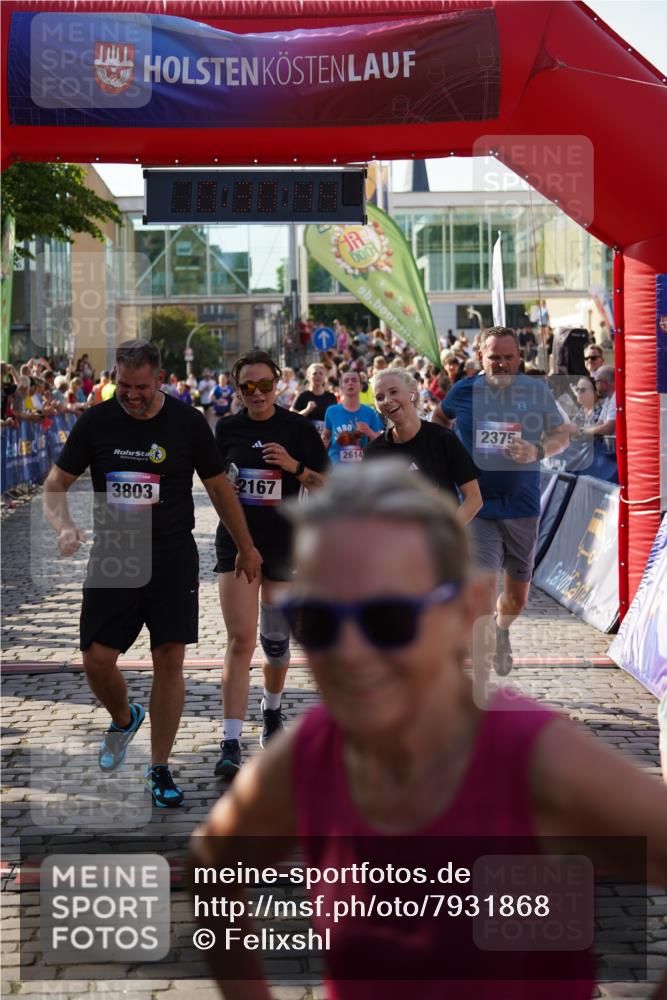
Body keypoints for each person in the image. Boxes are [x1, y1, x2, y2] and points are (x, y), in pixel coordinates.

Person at [193, 461, 667, 1000]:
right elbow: (214, 862)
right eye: (318, 621)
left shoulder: (534, 763)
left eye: (388, 619)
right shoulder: (314, 753)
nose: (348, 651)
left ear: (464, 611)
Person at [43, 339, 262, 808]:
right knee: (96, 659)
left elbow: (220, 488)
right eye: (124, 385)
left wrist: (246, 546)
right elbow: (56, 484)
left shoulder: (185, 422)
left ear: (159, 379)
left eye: (141, 386)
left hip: (171, 553)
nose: (132, 395)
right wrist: (64, 526)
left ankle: (158, 766)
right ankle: (124, 717)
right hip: (116, 552)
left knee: (169, 657)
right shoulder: (97, 421)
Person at [213, 349, 329, 780]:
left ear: (277, 384)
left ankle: (273, 710)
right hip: (238, 546)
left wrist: (294, 467)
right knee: (240, 641)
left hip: (284, 547)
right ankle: (229, 742)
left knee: (275, 644)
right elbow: (215, 488)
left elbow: (327, 485)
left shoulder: (297, 428)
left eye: (265, 385)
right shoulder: (226, 428)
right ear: (237, 387)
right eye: (248, 386)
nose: (257, 393)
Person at [432, 327, 569, 675]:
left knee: (516, 599)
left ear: (519, 358)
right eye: (495, 357)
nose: (502, 364)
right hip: (478, 507)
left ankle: (502, 628)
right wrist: (449, 461)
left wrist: (537, 450)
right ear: (481, 357)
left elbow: (562, 434)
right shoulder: (464, 391)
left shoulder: (535, 390)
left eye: (509, 357)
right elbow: (439, 420)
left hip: (522, 507)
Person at [366, 368, 482, 525]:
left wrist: (447, 534)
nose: (387, 400)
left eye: (393, 392)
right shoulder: (374, 452)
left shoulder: (443, 438)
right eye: (380, 397)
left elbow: (474, 498)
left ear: (412, 394)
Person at [323, 370, 383, 464]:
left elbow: (380, 442)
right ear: (341, 387)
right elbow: (326, 436)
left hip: (361, 467)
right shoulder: (331, 411)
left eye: (354, 380)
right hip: (336, 467)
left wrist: (369, 432)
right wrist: (324, 440)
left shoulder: (370, 412)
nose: (350, 383)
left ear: (361, 386)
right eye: (346, 381)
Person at [290, 362, 337, 438]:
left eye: (321, 373)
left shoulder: (331, 397)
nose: (318, 376)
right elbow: (292, 418)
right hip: (306, 437)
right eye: (314, 373)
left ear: (324, 377)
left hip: (326, 439)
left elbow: (336, 419)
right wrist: (307, 410)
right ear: (308, 377)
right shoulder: (302, 395)